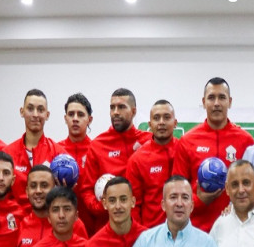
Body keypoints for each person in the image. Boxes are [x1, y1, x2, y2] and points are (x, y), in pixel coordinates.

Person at [173, 77, 254, 232]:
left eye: (222, 97)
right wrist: (199, 201)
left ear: (230, 102)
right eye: (211, 98)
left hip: (237, 231)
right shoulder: (187, 141)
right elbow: (176, 191)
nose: (216, 103)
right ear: (204, 102)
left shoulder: (246, 141)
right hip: (196, 231)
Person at [81, 89, 152, 234]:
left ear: (133, 111)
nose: (115, 112)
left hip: (143, 231)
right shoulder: (98, 145)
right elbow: (87, 191)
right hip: (108, 232)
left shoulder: (148, 141)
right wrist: (108, 205)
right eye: (112, 107)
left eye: (121, 107)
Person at [2, 89, 60, 211]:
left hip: (48, 224)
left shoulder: (59, 154)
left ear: (47, 115)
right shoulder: (6, 154)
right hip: (15, 224)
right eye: (30, 108)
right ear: (22, 112)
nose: (35, 114)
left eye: (40, 110)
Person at [16, 165, 88, 247]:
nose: (38, 191)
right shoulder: (20, 225)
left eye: (44, 185)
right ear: (27, 191)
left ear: (54, 188)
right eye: (33, 186)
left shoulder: (73, 223)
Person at [126, 99, 180, 227]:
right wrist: (141, 236)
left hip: (184, 233)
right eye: (157, 118)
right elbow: (133, 205)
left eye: (166, 117)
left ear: (175, 122)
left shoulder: (185, 151)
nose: (161, 122)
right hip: (150, 236)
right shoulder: (137, 160)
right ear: (150, 124)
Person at [57, 92, 95, 232]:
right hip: (63, 227)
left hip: (93, 228)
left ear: (89, 119)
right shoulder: (56, 150)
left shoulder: (97, 150)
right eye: (71, 114)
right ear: (65, 118)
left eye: (80, 114)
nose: (75, 119)